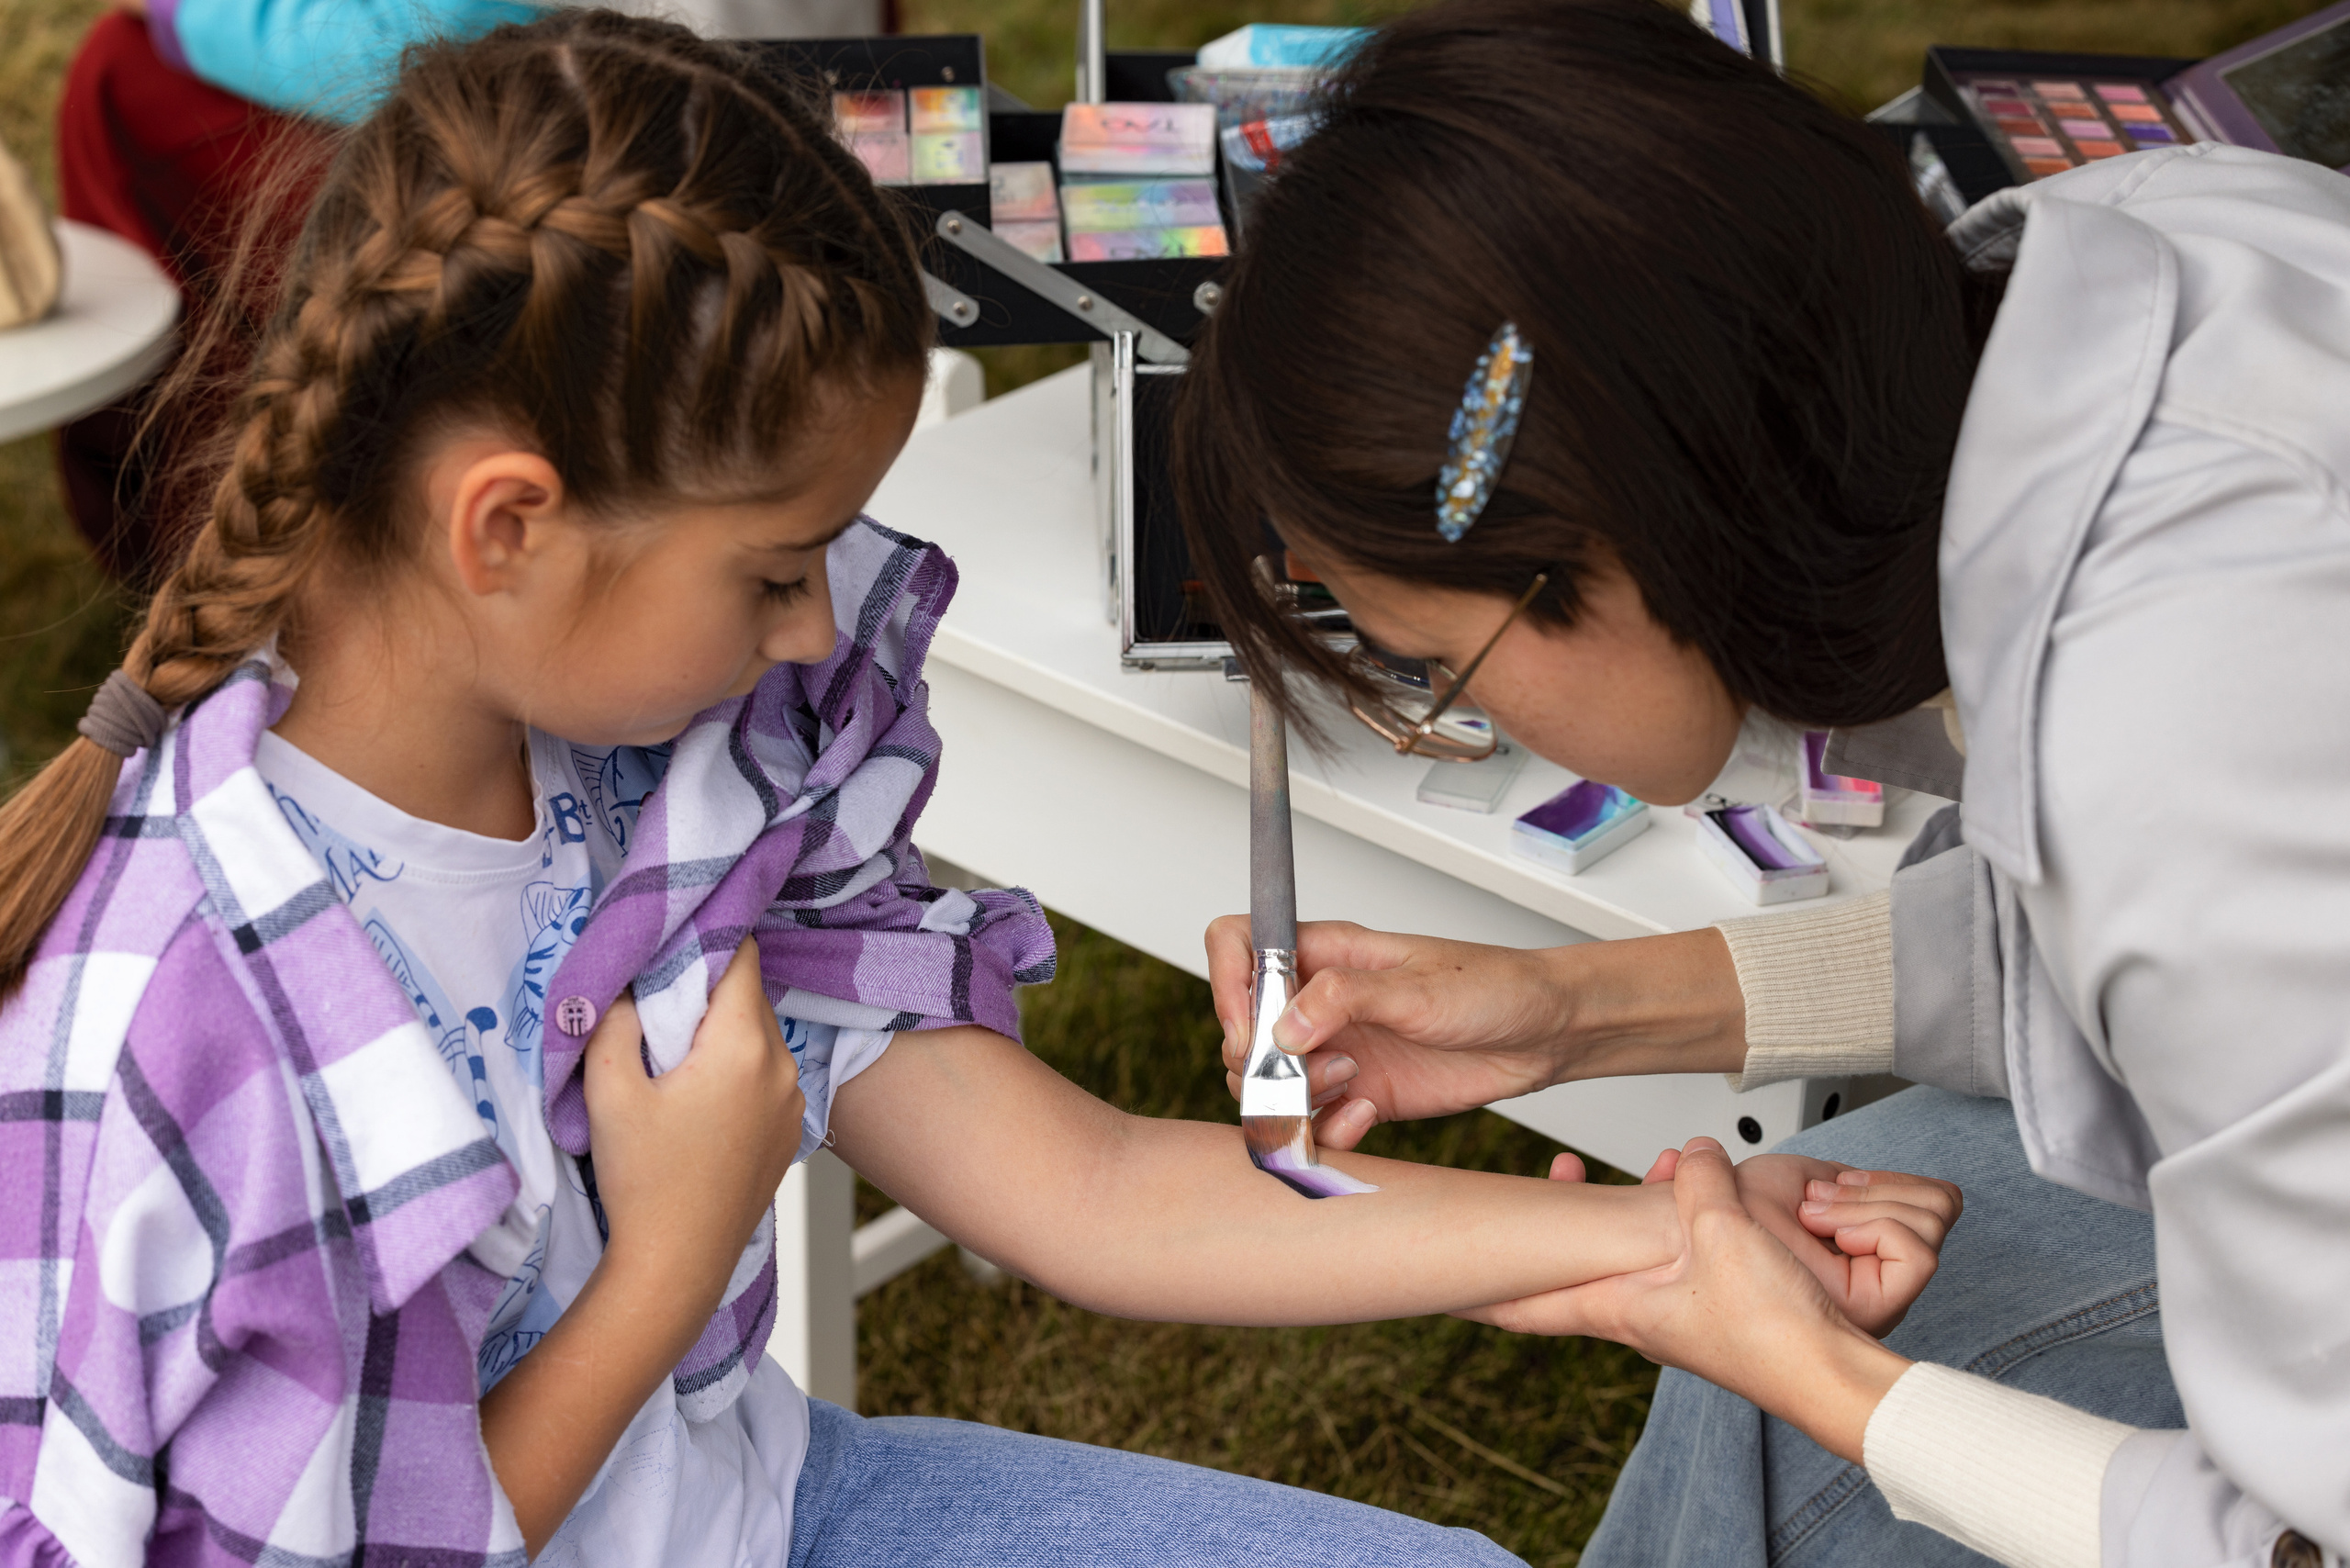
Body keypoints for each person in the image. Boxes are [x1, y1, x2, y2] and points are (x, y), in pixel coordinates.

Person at [0, 15, 1959, 1565]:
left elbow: (1081, 1181)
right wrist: (672, 1262)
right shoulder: (200, 1014)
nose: (807, 635)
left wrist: (1643, 1251)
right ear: (507, 527)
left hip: (759, 1509)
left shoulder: (664, 753)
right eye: (771, 569)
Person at [1172, 3, 2350, 1567]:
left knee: (1790, 1443)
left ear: (1609, 548)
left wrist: (1826, 1375)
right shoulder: (2114, 242)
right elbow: (2106, 960)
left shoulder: (2180, 744)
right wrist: (1573, 1006)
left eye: (1430, 664)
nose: (1443, 713)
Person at [53, 0, 881, 581]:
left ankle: (208, 538)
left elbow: (438, 36)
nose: (809, 635)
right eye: (778, 584)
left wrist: (178, 13)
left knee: (117, 75)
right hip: (825, 73)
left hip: (625, 111)